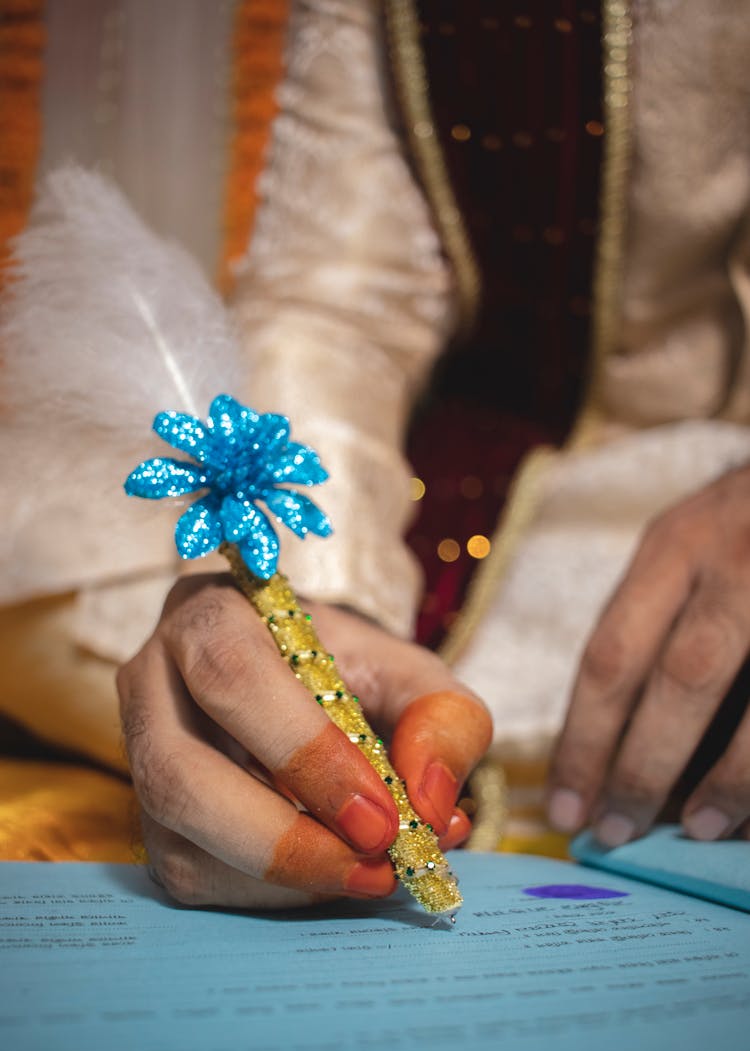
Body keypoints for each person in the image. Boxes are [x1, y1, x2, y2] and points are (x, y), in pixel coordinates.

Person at [2, 1, 749, 902]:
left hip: (683, 495)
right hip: (461, 483)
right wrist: (324, 586)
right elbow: (335, 301)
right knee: (40, 547)